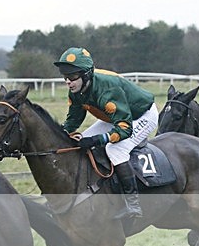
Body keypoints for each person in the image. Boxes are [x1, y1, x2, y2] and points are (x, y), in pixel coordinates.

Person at [54, 47, 157, 218]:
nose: (68, 82)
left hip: (141, 115)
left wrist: (98, 140)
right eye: (65, 77)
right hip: (115, 116)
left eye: (72, 77)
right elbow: (73, 121)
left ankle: (133, 204)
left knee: (115, 149)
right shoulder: (76, 91)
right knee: (81, 141)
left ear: (86, 75)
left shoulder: (108, 90)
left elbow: (124, 128)